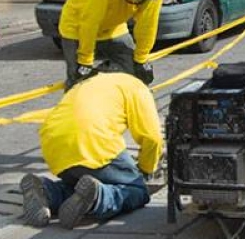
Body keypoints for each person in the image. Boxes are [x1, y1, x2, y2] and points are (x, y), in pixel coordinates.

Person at [19, 72, 163, 229]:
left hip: (53, 146)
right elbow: (152, 138)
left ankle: (47, 191)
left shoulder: (90, 83)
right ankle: (98, 198)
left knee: (79, 185)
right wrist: (145, 170)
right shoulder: (138, 88)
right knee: (137, 191)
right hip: (92, 141)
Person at [58, 0, 167, 89]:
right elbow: (90, 20)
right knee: (78, 82)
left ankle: (104, 84)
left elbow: (148, 23)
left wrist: (142, 58)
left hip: (114, 25)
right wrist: (85, 61)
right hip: (77, 25)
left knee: (134, 73)